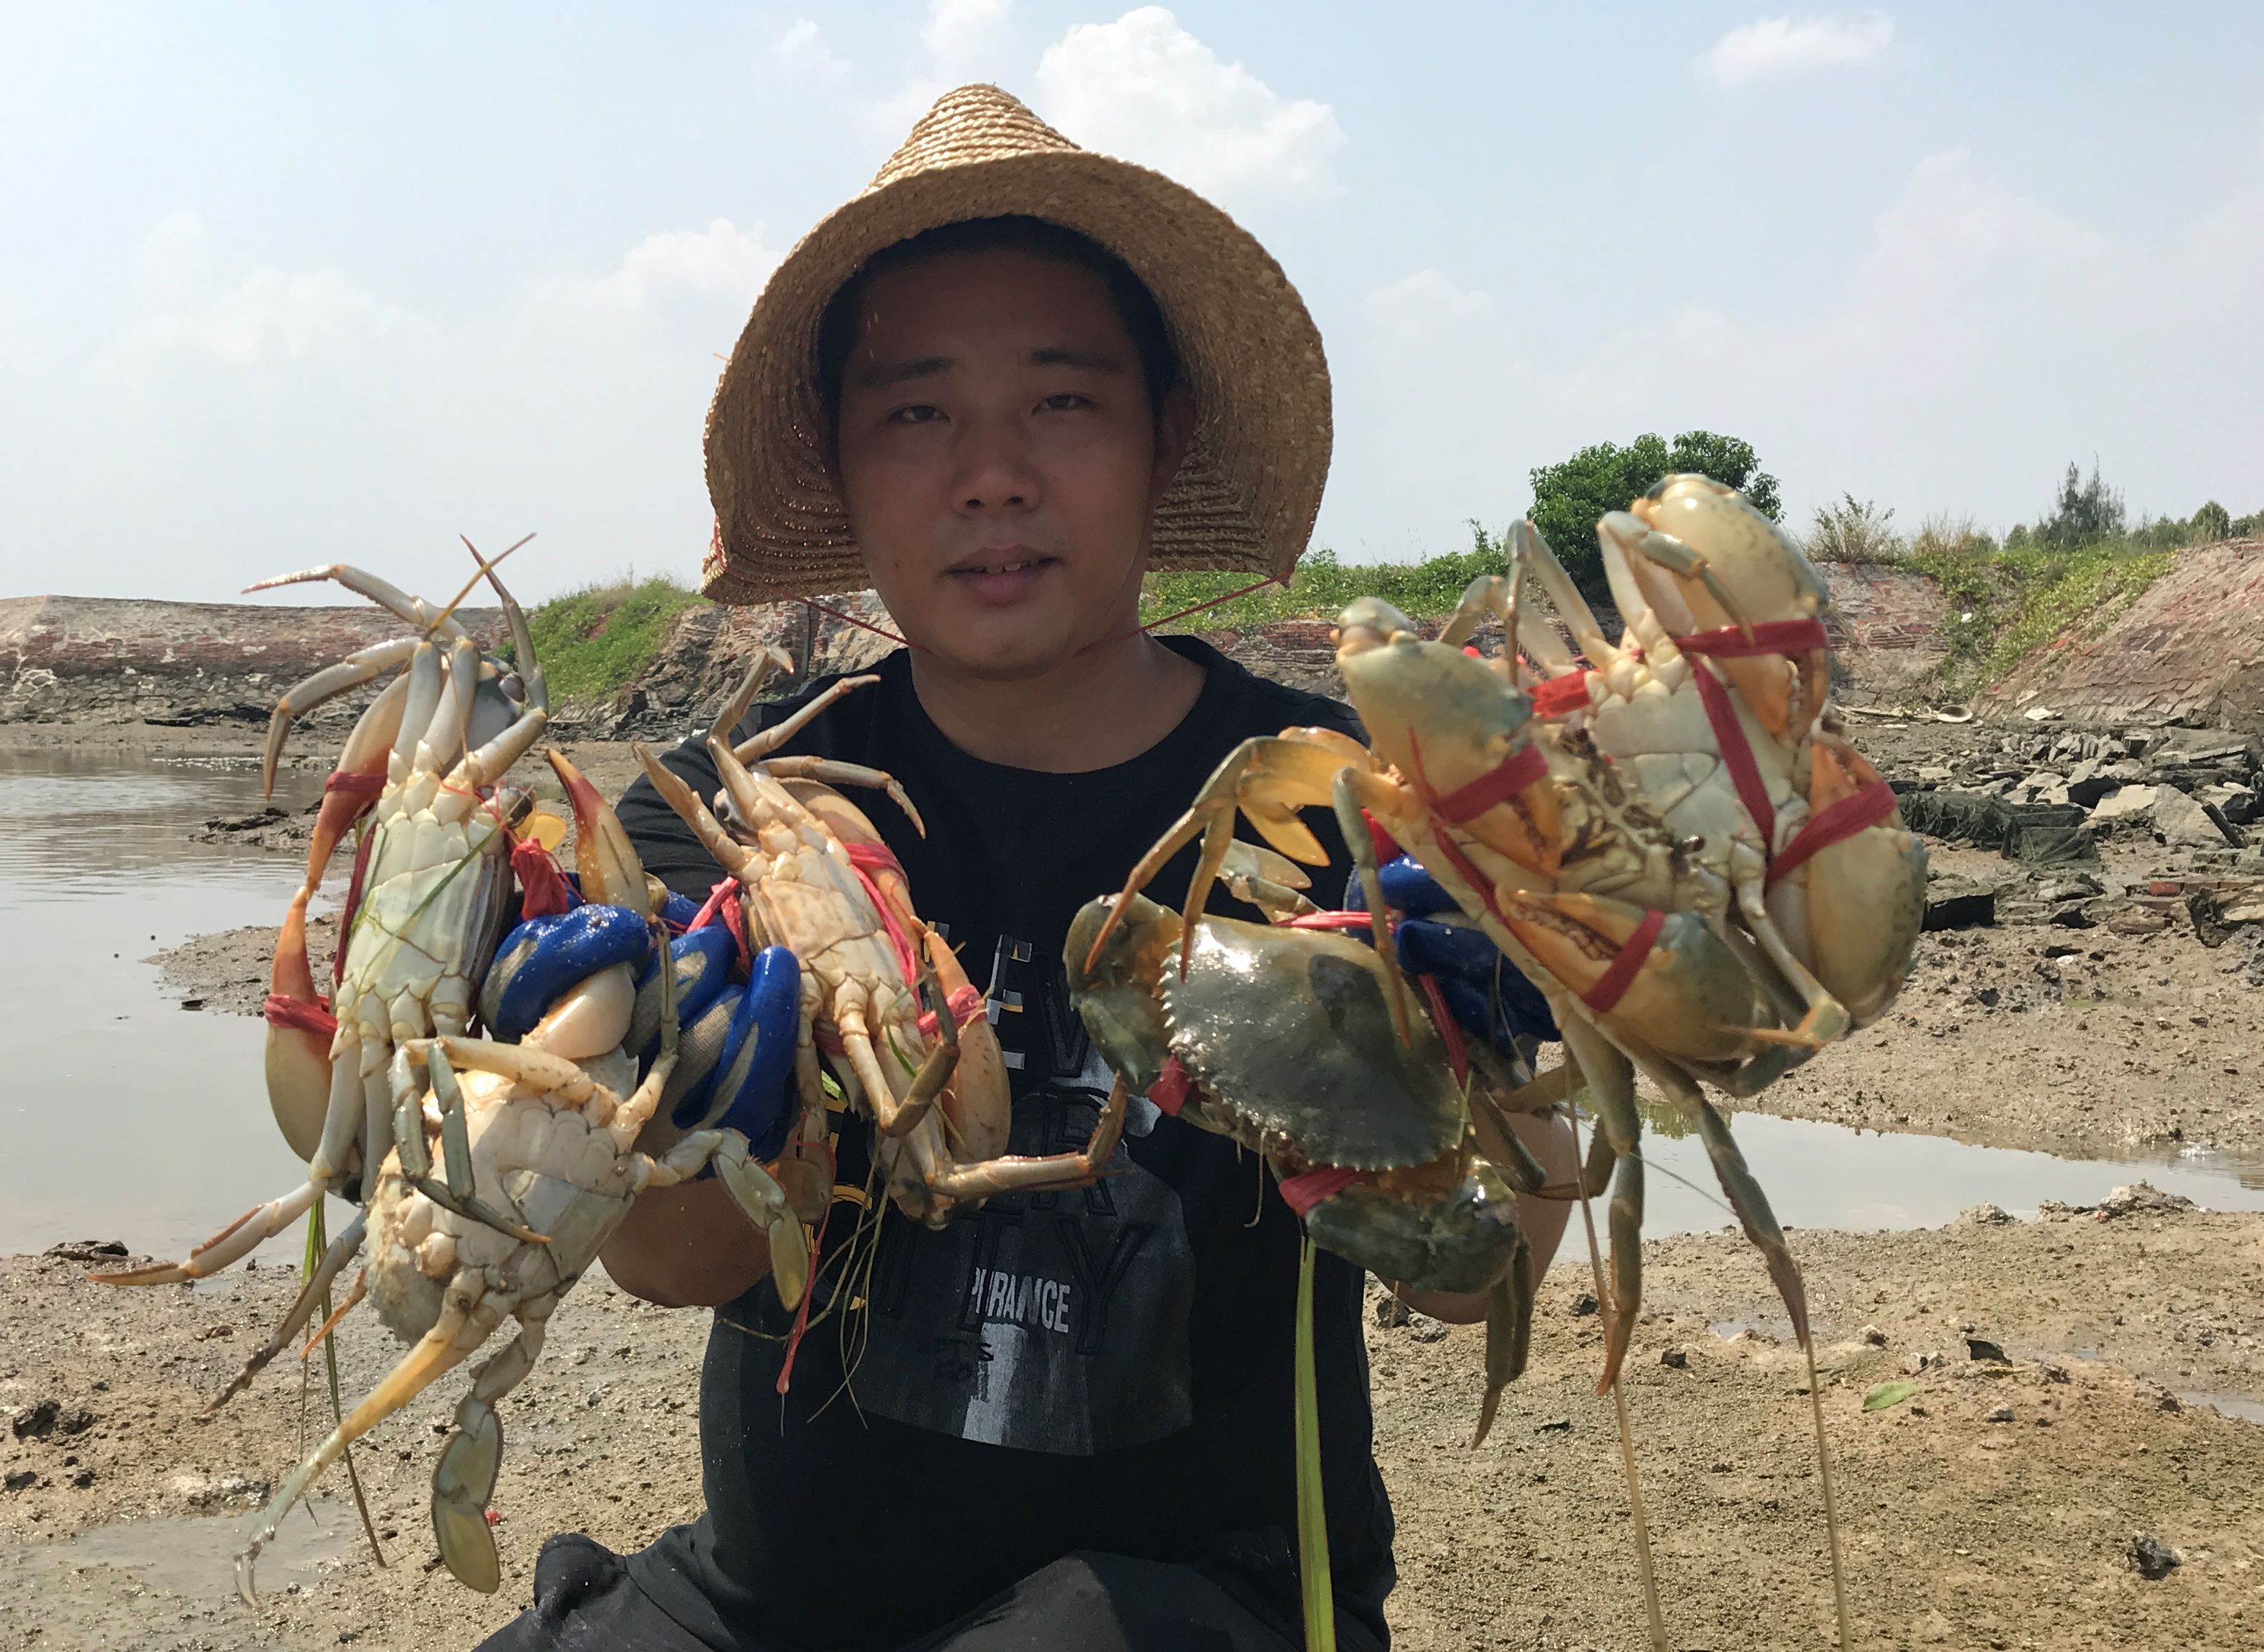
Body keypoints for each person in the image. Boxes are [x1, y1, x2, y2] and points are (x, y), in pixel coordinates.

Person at [476, 86, 1577, 1652]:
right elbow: (671, 1259)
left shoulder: (1344, 806)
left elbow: (1476, 1294)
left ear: (1162, 435)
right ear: (844, 472)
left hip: (1200, 1605)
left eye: (1060, 403)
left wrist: (1511, 1025)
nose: (988, 475)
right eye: (915, 414)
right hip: (781, 1605)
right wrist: (670, 1090)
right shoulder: (730, 808)